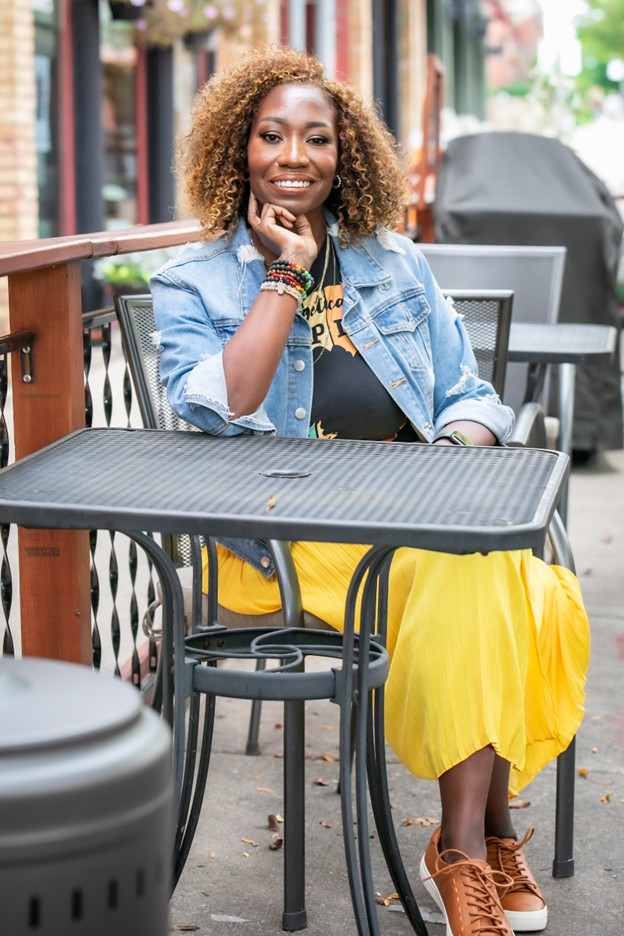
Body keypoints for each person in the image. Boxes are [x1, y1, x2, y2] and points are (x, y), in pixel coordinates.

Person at [152, 47, 590, 936]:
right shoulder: (191, 282)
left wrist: (452, 446)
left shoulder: (394, 264)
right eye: (272, 135)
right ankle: (485, 837)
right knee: (509, 576)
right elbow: (228, 400)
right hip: (276, 539)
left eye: (317, 138)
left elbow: (470, 395)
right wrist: (284, 270)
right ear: (239, 149)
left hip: (412, 514)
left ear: (343, 156)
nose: (293, 155)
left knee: (487, 563)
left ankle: (464, 843)